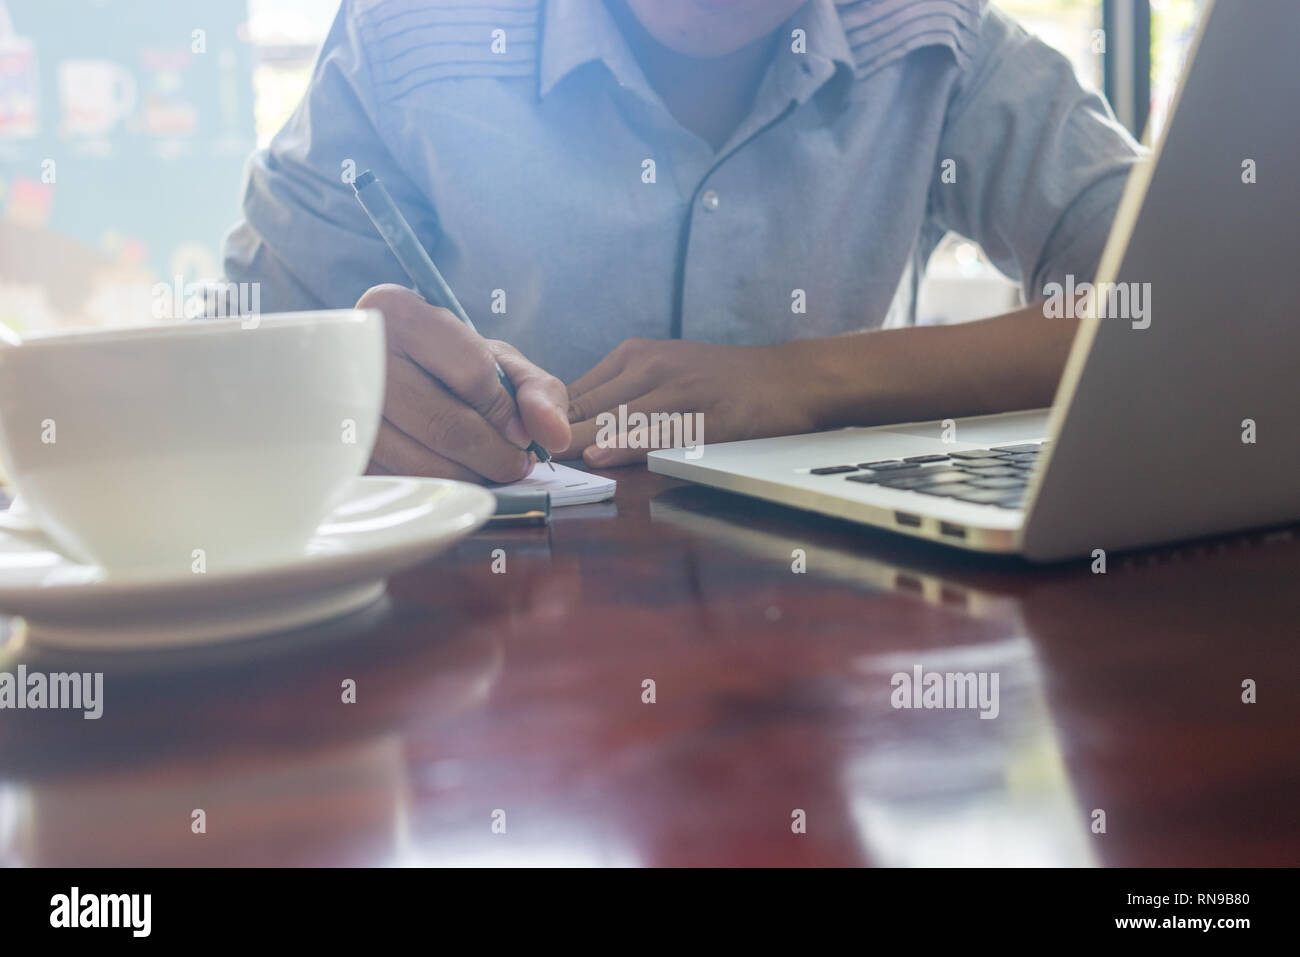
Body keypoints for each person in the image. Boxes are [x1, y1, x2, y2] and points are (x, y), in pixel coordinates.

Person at [223, 0, 1142, 483]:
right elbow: (228, 358)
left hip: (823, 628)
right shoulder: (408, 29)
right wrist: (343, 388)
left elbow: (1175, 302)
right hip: (477, 648)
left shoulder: (936, 35)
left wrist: (800, 381)